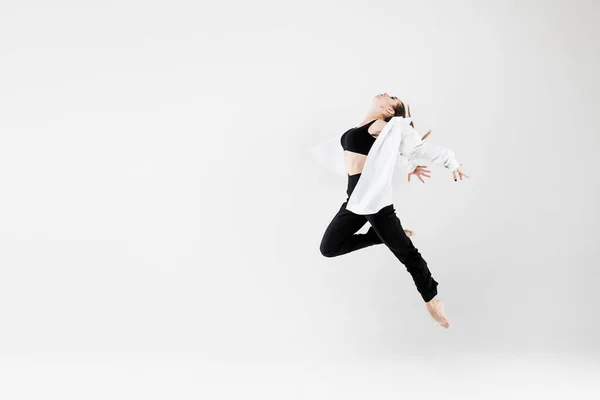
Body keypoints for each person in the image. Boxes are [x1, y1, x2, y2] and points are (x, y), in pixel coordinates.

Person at [318, 93, 469, 329]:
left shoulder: (380, 125)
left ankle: (432, 300)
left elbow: (415, 147)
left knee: (406, 253)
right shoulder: (364, 128)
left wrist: (452, 162)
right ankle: (380, 237)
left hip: (374, 201)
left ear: (389, 111)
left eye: (391, 97)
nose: (385, 94)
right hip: (355, 199)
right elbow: (388, 151)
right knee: (329, 248)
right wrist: (409, 166)